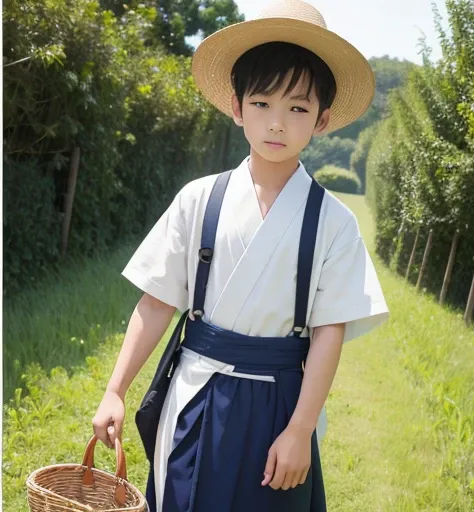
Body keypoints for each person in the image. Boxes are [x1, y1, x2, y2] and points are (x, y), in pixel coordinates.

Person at [92, 1, 390, 511]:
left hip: (280, 405)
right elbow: (158, 301)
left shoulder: (334, 222)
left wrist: (300, 430)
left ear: (322, 119)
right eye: (262, 104)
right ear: (236, 107)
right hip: (194, 394)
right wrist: (116, 388)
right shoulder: (198, 199)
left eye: (298, 108)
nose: (277, 123)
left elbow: (328, 332)